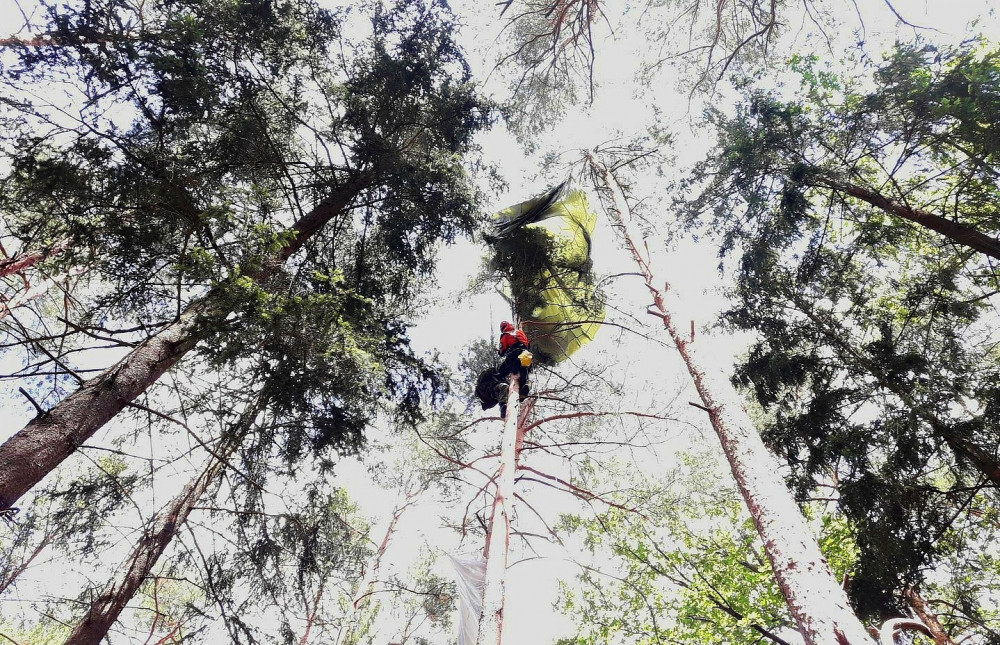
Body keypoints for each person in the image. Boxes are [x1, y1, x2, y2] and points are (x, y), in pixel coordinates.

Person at [495, 321, 531, 419]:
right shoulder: (520, 332)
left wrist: (500, 352)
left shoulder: (505, 334)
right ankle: (524, 387)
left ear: (502, 328)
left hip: (515, 354)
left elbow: (502, 351)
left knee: (500, 373)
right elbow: (528, 345)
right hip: (526, 355)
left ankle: (503, 404)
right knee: (524, 371)